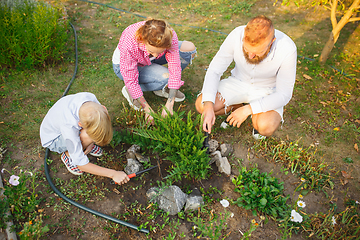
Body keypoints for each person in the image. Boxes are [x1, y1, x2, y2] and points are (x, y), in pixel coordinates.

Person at [195, 15, 297, 139]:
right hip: (237, 82)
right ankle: (237, 107)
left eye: (258, 52)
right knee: (202, 104)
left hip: (267, 91)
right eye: (246, 49)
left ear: (272, 42)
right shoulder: (236, 35)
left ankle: (252, 115)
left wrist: (249, 110)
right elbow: (214, 70)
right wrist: (209, 106)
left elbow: (284, 95)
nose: (251, 56)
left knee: (265, 126)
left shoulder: (287, 48)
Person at [112, 18, 196, 124]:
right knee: (166, 77)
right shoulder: (129, 43)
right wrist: (147, 109)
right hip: (123, 67)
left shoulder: (168, 34)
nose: (156, 55)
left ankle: (161, 85)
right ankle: (132, 92)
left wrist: (170, 103)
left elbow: (175, 66)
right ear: (143, 40)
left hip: (147, 60)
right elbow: (131, 80)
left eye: (160, 52)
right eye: (151, 51)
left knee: (189, 49)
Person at [40, 92, 129, 185]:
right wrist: (113, 174)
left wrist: (90, 144)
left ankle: (85, 144)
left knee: (93, 130)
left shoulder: (91, 99)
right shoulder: (69, 126)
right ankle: (69, 155)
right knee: (87, 136)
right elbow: (81, 165)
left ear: (104, 108)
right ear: (80, 125)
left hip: (66, 125)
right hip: (54, 139)